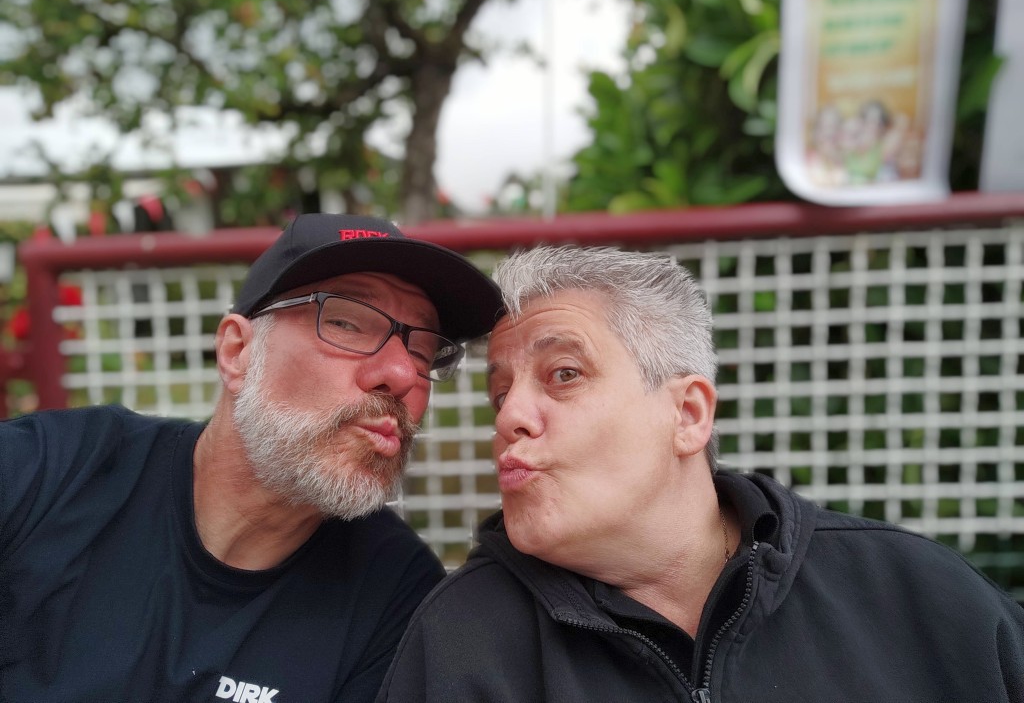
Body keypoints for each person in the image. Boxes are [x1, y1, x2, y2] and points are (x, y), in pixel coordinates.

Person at [377, 244, 1024, 703]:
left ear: (688, 414)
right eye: (500, 395)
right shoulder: (459, 644)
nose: (510, 417)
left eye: (564, 374)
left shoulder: (917, 596)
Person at [0, 213, 503, 703]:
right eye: (347, 322)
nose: (402, 374)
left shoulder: (394, 594)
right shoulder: (46, 471)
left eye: (423, 351)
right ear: (237, 352)